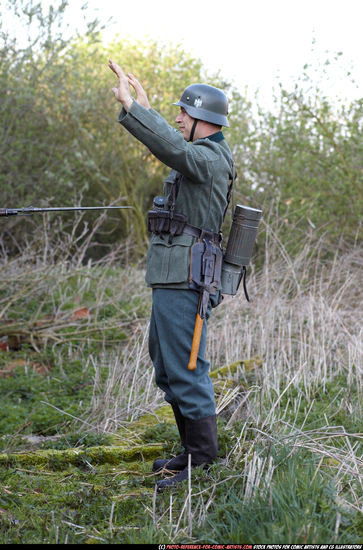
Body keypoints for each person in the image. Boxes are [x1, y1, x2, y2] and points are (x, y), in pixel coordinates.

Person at [109, 59, 234, 491]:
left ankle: (201, 464)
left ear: (202, 119)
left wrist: (134, 111)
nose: (177, 117)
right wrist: (146, 113)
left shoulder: (211, 158)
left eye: (183, 112)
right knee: (167, 367)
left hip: (186, 279)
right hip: (171, 276)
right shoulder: (198, 154)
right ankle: (190, 452)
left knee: (186, 367)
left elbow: (175, 150)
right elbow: (173, 145)